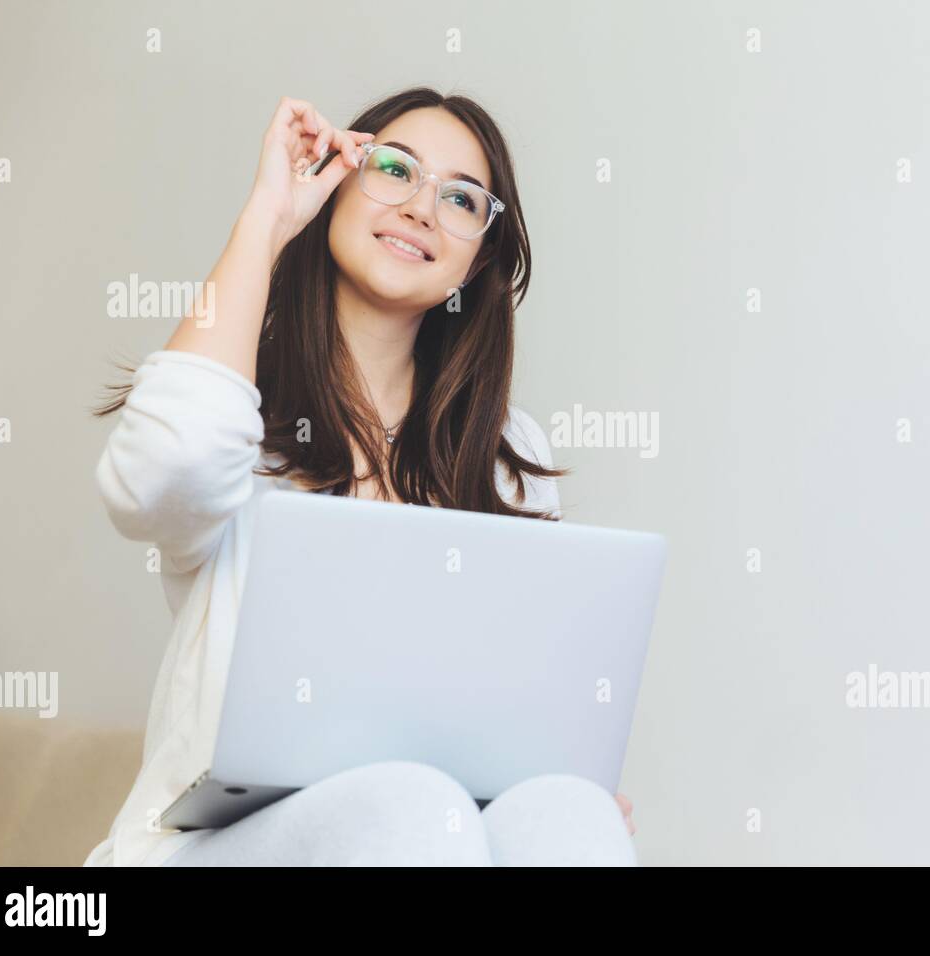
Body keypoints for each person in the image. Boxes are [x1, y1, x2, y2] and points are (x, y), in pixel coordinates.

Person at [85, 89, 636, 866]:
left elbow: (512, 704)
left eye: (460, 198)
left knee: (570, 815)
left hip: (423, 828)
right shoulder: (241, 407)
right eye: (393, 168)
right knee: (412, 807)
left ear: (475, 262)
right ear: (335, 183)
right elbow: (161, 476)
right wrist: (269, 218)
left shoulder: (503, 457)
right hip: (213, 845)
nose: (421, 207)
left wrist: (548, 780)